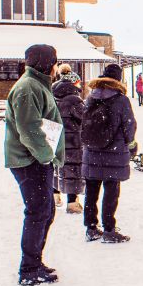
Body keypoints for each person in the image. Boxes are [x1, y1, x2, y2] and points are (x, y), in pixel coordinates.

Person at [5, 44, 65, 286]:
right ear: (44, 62)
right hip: (30, 160)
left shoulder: (37, 84)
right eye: (54, 61)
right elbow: (28, 128)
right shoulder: (28, 87)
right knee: (38, 213)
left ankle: (34, 262)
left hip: (36, 159)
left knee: (45, 211)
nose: (56, 66)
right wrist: (45, 156)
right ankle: (28, 269)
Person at [81, 63, 137, 243]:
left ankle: (90, 227)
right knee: (111, 191)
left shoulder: (91, 97)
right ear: (118, 79)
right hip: (114, 151)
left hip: (92, 151)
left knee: (91, 190)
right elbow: (129, 125)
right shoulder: (121, 100)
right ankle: (109, 229)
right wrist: (131, 144)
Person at [53, 68, 86, 214]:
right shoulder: (74, 99)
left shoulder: (52, 95)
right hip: (73, 141)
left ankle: (54, 196)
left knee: (56, 168)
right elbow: (85, 119)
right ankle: (72, 203)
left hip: (55, 139)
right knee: (73, 170)